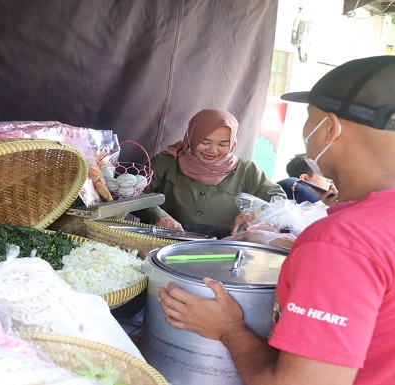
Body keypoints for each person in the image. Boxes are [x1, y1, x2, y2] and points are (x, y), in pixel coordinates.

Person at [158, 55, 395, 385]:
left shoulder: (341, 241)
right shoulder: (362, 232)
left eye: (307, 121)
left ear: (330, 128)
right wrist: (282, 242)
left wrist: (229, 329)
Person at [132, 109, 286, 237]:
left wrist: (255, 214)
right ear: (191, 136)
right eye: (205, 142)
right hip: (166, 240)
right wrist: (159, 216)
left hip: (222, 250)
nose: (212, 150)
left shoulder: (247, 170)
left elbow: (278, 200)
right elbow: (136, 194)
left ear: (232, 143)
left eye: (223, 144)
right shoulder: (167, 161)